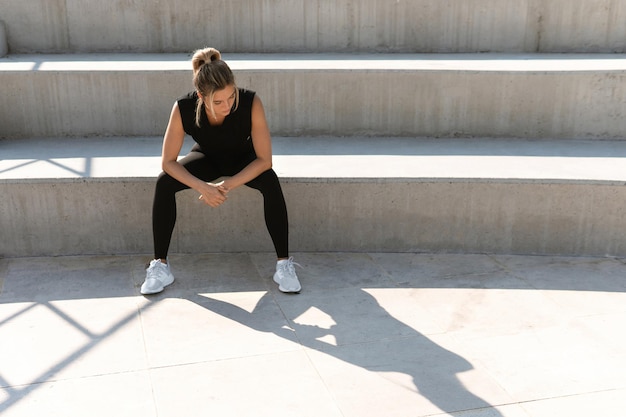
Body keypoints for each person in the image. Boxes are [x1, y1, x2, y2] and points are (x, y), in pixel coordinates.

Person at [141, 47, 301, 295]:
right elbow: (168, 162)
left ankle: (283, 265)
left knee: (270, 180)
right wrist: (202, 187)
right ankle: (160, 266)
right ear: (201, 96)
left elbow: (264, 160)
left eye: (230, 97)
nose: (227, 105)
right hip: (207, 157)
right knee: (164, 182)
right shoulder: (183, 107)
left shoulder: (250, 101)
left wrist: (225, 187)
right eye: (218, 101)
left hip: (243, 159)